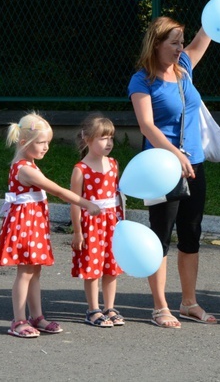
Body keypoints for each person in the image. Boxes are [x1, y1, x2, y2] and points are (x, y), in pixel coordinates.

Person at [128, 0, 220, 328]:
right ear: (156, 44)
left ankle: (189, 302)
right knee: (162, 235)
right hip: (161, 166)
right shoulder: (142, 80)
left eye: (181, 42)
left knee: (192, 233)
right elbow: (147, 126)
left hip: (194, 163)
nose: (180, 47)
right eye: (174, 42)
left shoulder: (185, 65)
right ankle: (160, 306)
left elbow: (211, 29)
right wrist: (174, 154)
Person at [0, 112, 101, 338]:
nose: (46, 147)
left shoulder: (29, 163)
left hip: (33, 224)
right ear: (24, 143)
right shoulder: (24, 168)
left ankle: (37, 316)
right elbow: (58, 190)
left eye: (48, 143)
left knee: (35, 271)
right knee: (25, 272)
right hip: (25, 226)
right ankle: (18, 320)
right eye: (42, 143)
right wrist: (85, 203)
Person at [70, 113, 125, 328]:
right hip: (91, 225)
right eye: (103, 138)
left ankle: (109, 307)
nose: (108, 142)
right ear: (87, 139)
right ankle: (93, 309)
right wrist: (77, 232)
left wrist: (121, 223)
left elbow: (118, 195)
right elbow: (75, 202)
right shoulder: (80, 170)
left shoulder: (113, 164)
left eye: (110, 137)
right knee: (92, 267)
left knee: (112, 266)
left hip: (112, 223)